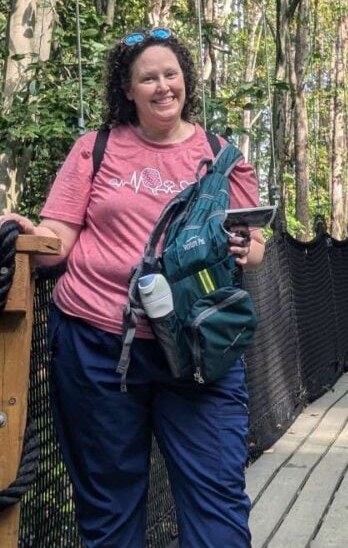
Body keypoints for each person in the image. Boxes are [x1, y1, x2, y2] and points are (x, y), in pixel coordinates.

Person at [0, 28, 265, 548]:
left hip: (198, 349)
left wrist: (242, 248)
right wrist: (26, 233)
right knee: (109, 507)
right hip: (98, 346)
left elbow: (253, 246)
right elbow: (60, 243)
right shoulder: (94, 149)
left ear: (186, 79)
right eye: (149, 77)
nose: (163, 86)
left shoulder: (222, 155)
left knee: (218, 505)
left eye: (171, 74)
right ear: (127, 88)